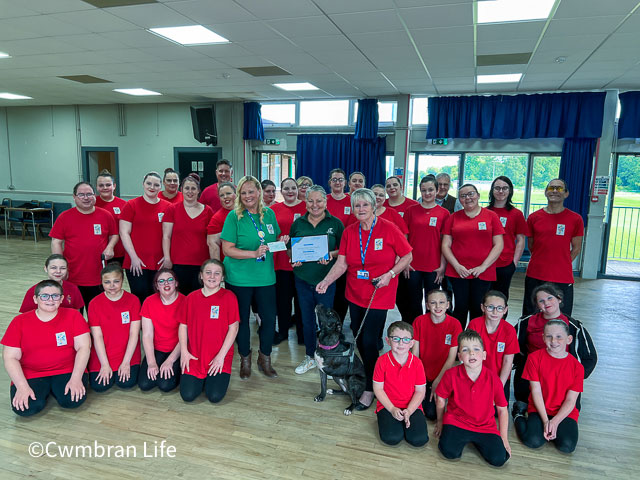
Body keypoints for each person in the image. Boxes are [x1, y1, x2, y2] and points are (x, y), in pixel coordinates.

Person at [316, 188, 413, 409]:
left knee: (369, 342)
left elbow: (408, 255)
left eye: (365, 205)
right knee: (360, 339)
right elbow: (342, 263)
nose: (360, 209)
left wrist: (390, 274)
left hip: (379, 293)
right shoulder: (351, 232)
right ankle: (368, 377)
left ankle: (370, 388)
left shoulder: (389, 229)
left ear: (374, 207)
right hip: (355, 293)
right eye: (357, 205)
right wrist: (327, 281)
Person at [221, 175, 284, 379]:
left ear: (259, 192)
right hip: (238, 278)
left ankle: (264, 358)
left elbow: (271, 242)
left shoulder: (270, 215)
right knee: (241, 322)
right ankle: (245, 359)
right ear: (240, 195)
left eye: (251, 191)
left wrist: (282, 240)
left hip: (265, 277)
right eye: (244, 192)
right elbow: (227, 249)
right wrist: (252, 254)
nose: (248, 195)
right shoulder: (234, 216)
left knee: (268, 319)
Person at [1, 280, 91, 416]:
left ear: (61, 299)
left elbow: (84, 348)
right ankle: (46, 390)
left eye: (55, 296)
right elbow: (10, 357)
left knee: (71, 401)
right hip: (32, 373)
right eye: (44, 296)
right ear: (35, 299)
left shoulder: (74, 316)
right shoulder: (19, 322)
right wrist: (22, 386)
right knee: (25, 409)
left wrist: (76, 379)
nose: (50, 300)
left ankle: (53, 389)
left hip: (66, 369)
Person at [513, 283, 597, 407]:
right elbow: (511, 348)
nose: (546, 303)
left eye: (550, 298)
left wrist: (574, 379)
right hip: (533, 375)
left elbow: (590, 358)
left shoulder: (575, 327)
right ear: (537, 305)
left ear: (559, 298)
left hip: (561, 379)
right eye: (541, 301)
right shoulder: (526, 322)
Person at [434, 330, 510, 467]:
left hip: (485, 426)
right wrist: (440, 422)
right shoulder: (451, 375)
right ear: (460, 357)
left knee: (499, 459)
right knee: (449, 452)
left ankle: (480, 440)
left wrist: (503, 438)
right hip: (457, 421)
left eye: (476, 349)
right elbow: (440, 400)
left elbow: (502, 410)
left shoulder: (494, 379)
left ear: (484, 355)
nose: (472, 353)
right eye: (465, 350)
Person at [289, 185, 344, 374]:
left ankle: (327, 359)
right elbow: (291, 249)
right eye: (310, 201)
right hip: (302, 279)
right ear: (305, 202)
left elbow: (344, 251)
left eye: (319, 201)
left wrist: (330, 254)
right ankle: (310, 356)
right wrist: (293, 259)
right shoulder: (298, 223)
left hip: (326, 280)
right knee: (306, 319)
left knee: (326, 322)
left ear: (325, 202)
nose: (315, 205)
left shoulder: (335, 223)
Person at [514, 320, 584, 453]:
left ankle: (555, 426)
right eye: (549, 336)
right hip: (540, 408)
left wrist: (555, 422)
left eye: (559, 337)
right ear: (543, 338)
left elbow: (571, 400)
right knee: (533, 441)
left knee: (567, 446)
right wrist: (546, 421)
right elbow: (536, 391)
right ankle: (518, 414)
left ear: (569, 339)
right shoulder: (534, 358)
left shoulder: (577, 367)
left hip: (564, 411)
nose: (553, 341)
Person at [442, 184, 504, 328]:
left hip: (483, 272)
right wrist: (457, 266)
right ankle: (458, 342)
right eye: (463, 196)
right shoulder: (453, 218)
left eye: (471, 194)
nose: (468, 198)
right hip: (458, 272)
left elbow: (499, 244)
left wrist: (483, 266)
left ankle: (475, 341)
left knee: (479, 307)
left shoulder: (491, 216)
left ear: (478, 195)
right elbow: (445, 245)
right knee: (460, 308)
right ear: (460, 200)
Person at [50, 181, 118, 307]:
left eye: (89, 194)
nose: (86, 198)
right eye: (81, 195)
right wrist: (60, 267)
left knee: (97, 314)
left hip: (99, 277)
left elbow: (114, 234)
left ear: (94, 195)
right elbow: (56, 242)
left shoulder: (105, 215)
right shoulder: (64, 217)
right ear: (74, 197)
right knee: (75, 316)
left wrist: (110, 246)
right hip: (73, 276)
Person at [180, 259, 239, 403]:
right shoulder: (191, 298)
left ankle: (210, 379)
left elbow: (234, 328)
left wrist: (221, 357)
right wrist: (184, 351)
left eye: (217, 273)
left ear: (223, 277)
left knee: (214, 397)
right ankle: (200, 379)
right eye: (208, 272)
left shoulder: (229, 297)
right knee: (187, 396)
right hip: (195, 355)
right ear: (201, 275)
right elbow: (183, 325)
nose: (212, 276)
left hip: (218, 356)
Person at [522, 179, 584, 317]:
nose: (555, 191)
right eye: (551, 188)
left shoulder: (576, 219)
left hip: (562, 277)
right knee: (531, 315)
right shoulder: (534, 217)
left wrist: (562, 262)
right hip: (535, 275)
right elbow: (532, 245)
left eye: (559, 188)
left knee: (561, 317)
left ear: (566, 194)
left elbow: (576, 248)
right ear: (546, 192)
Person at [373, 321, 428, 447]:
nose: (401, 343)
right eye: (396, 339)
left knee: (419, 440)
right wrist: (392, 409)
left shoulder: (417, 363)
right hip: (388, 405)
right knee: (392, 438)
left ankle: (405, 419)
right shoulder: (381, 361)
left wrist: (409, 410)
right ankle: (388, 420)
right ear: (388, 340)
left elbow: (420, 391)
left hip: (411, 405)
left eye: (405, 339)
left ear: (411, 343)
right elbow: (378, 389)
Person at [88, 264, 141, 392]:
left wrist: (126, 362)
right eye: (107, 282)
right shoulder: (94, 303)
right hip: (104, 352)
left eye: (116, 281)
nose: (112, 286)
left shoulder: (133, 300)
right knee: (99, 386)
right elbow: (97, 336)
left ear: (122, 280)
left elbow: (134, 333)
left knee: (126, 383)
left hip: (127, 352)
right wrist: (105, 365)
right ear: (101, 282)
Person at [403, 175, 449, 321]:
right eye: (424, 190)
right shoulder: (410, 211)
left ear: (437, 191)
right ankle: (414, 330)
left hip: (434, 267)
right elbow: (404, 239)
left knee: (433, 301)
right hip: (413, 265)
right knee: (413, 302)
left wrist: (442, 266)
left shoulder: (444, 213)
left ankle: (430, 330)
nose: (427, 193)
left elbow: (445, 243)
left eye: (430, 190)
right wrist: (405, 262)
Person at [119, 172, 171, 303]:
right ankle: (141, 324)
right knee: (140, 297)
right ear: (143, 184)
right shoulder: (131, 205)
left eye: (156, 184)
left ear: (161, 187)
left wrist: (167, 256)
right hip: (137, 263)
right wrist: (134, 257)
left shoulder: (168, 207)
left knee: (159, 298)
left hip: (159, 262)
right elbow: (124, 233)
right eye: (149, 183)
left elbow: (170, 234)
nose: (152, 187)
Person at [411, 290, 461, 420]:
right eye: (433, 303)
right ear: (427, 305)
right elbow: (415, 354)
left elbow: (451, 359)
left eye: (441, 303)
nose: (437, 307)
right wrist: (419, 380)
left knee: (432, 414)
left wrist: (438, 380)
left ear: (448, 305)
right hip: (422, 373)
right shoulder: (419, 321)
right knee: (420, 408)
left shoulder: (455, 324)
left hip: (443, 374)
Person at [162, 174, 214, 295]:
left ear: (198, 191)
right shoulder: (172, 209)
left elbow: (212, 240)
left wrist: (212, 262)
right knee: (180, 296)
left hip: (201, 263)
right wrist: (167, 258)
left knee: (198, 297)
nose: (190, 191)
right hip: (178, 263)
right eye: (187, 188)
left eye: (193, 188)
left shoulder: (208, 211)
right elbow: (166, 236)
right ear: (181, 190)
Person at [270, 178, 306, 345]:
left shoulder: (307, 207)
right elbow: (270, 239)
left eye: (293, 188)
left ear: (298, 189)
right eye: (286, 188)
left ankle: (302, 334)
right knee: (282, 302)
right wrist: (281, 243)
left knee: (302, 302)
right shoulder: (273, 210)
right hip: (282, 263)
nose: (290, 191)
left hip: (303, 264)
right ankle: (283, 331)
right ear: (281, 191)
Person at [139, 268, 186, 392]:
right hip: (158, 348)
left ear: (176, 283)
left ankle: (181, 371)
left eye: (170, 280)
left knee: (165, 385)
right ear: (157, 286)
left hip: (178, 349)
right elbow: (147, 335)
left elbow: (185, 337)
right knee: (145, 384)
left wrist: (170, 361)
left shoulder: (185, 302)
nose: (166, 283)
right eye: (161, 281)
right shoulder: (149, 302)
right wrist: (151, 362)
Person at [467, 290, 519, 402]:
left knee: (496, 411)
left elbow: (507, 362)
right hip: (476, 375)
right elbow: (469, 356)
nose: (495, 312)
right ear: (483, 308)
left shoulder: (509, 330)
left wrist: (498, 388)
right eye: (490, 307)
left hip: (499, 378)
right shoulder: (474, 325)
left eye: (499, 308)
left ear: (505, 310)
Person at [487, 176, 528, 300]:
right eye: (497, 188)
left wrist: (514, 262)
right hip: (485, 264)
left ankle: (501, 319)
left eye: (505, 188)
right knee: (484, 296)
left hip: (505, 264)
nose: (501, 191)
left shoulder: (516, 214)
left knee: (501, 296)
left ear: (510, 191)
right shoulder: (485, 212)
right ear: (492, 190)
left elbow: (521, 239)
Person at [325, 168, 350, 323]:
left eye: (340, 179)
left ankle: (338, 324)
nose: (338, 182)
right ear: (329, 182)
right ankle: (325, 325)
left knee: (341, 293)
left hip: (345, 255)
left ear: (345, 182)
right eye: (334, 179)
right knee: (327, 291)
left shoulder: (352, 201)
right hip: (325, 255)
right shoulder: (323, 200)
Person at [19, 254, 84, 313]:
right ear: (46, 268)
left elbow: (77, 312)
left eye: (63, 268)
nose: (58, 271)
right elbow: (25, 316)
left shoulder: (73, 288)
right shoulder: (34, 290)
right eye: (53, 268)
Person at [95, 169, 127, 265]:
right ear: (96, 187)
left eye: (108, 185)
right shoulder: (91, 204)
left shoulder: (124, 205)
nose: (105, 188)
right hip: (97, 250)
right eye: (101, 185)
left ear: (114, 186)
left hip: (119, 251)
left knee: (115, 277)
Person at [206, 182, 236, 261]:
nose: (225, 197)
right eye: (222, 195)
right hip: (229, 264)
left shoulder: (247, 212)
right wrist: (218, 270)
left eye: (228, 193)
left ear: (236, 194)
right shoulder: (216, 219)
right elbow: (213, 246)